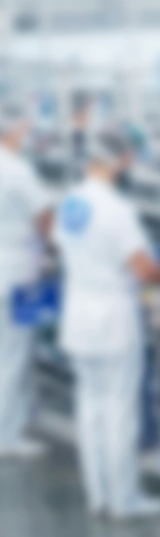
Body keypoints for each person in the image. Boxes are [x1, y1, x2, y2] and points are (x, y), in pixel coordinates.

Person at [52, 130, 160, 518]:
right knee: (119, 409)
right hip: (112, 317)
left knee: (90, 408)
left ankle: (98, 496)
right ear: (117, 160)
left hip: (78, 313)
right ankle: (124, 500)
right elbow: (144, 268)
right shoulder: (116, 209)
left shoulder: (70, 203)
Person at [0, 108, 52, 459]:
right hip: (14, 272)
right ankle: (7, 435)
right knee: (12, 357)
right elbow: (45, 216)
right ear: (14, 129)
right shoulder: (17, 169)